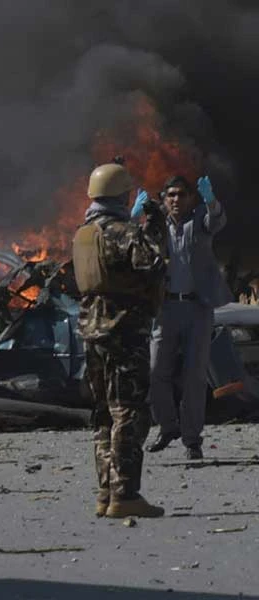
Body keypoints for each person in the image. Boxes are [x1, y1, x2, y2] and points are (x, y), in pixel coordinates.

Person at [73, 161, 168, 519]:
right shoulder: (123, 232)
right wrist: (154, 225)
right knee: (128, 410)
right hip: (124, 331)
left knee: (103, 413)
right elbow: (155, 265)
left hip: (91, 331)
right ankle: (125, 494)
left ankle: (105, 491)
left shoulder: (83, 234)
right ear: (122, 196)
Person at [135, 176, 231, 460]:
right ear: (164, 199)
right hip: (165, 308)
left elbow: (217, 221)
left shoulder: (200, 220)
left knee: (194, 376)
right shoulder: (155, 225)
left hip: (197, 308)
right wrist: (133, 216)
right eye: (171, 195)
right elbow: (133, 244)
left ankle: (192, 440)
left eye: (181, 194)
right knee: (155, 371)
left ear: (191, 198)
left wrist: (211, 201)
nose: (176, 200)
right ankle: (167, 427)